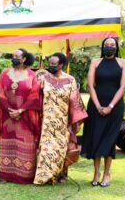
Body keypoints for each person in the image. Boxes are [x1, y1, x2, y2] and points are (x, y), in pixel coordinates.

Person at [81, 37, 125, 187]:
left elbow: (123, 87)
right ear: (103, 47)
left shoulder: (123, 63)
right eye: (107, 45)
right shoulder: (95, 62)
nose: (110, 47)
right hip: (96, 106)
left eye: (112, 45)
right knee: (96, 137)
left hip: (115, 107)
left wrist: (110, 106)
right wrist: (98, 106)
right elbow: (91, 86)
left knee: (110, 139)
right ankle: (96, 173)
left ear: (116, 47)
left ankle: (107, 173)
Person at [34, 53, 87, 185]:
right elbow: (36, 97)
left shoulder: (70, 80)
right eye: (50, 63)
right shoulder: (44, 79)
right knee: (46, 150)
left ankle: (62, 173)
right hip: (46, 121)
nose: (50, 66)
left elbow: (75, 101)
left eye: (53, 64)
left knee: (62, 148)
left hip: (63, 121)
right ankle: (44, 177)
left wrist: (76, 121)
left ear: (61, 65)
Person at [0, 48, 41, 184]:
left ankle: (25, 175)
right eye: (12, 55)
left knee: (26, 143)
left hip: (25, 117)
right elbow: (0, 92)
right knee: (7, 143)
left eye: (17, 56)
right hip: (8, 116)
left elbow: (34, 95)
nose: (14, 58)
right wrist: (9, 111)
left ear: (24, 58)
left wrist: (20, 111)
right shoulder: (5, 73)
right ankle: (5, 174)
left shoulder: (32, 75)